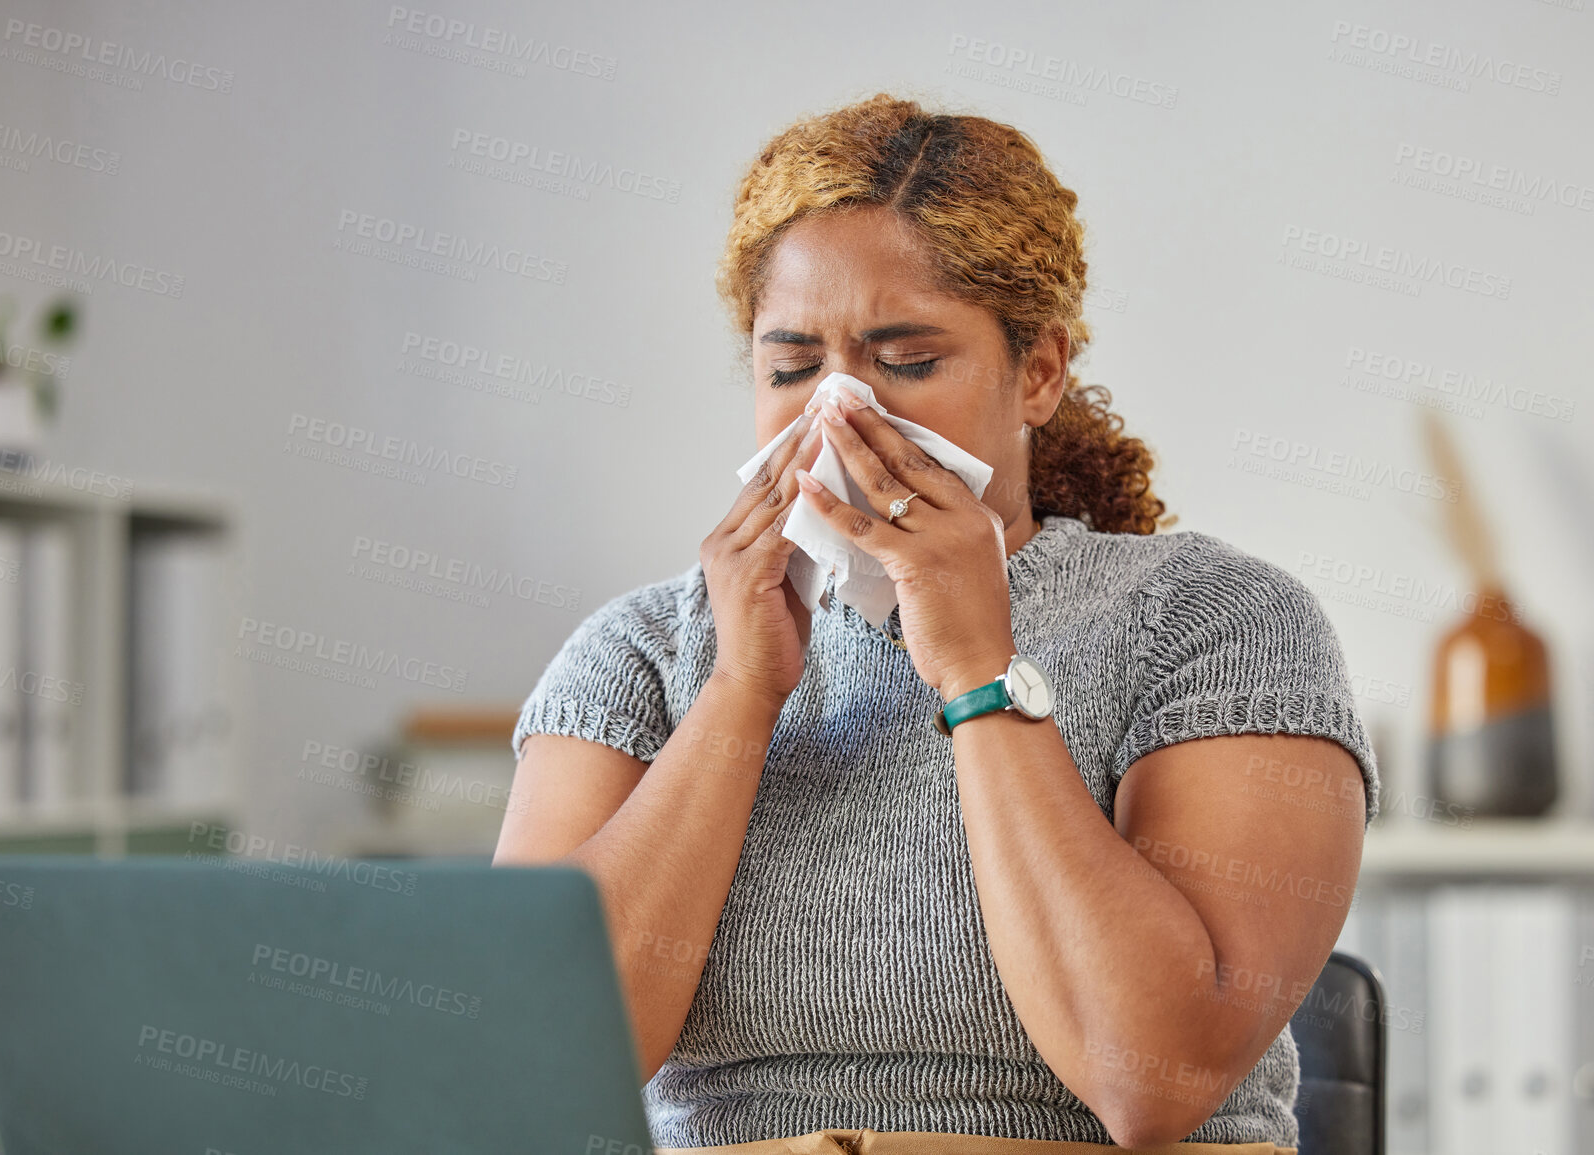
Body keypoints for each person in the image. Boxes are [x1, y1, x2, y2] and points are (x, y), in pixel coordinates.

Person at [494, 92, 1377, 1155]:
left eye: (906, 361)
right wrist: (736, 697)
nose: (841, 411)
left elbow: (1152, 1077)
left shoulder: (1215, 623)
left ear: (1039, 373)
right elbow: (531, 1067)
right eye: (791, 367)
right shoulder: (641, 654)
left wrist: (977, 666)